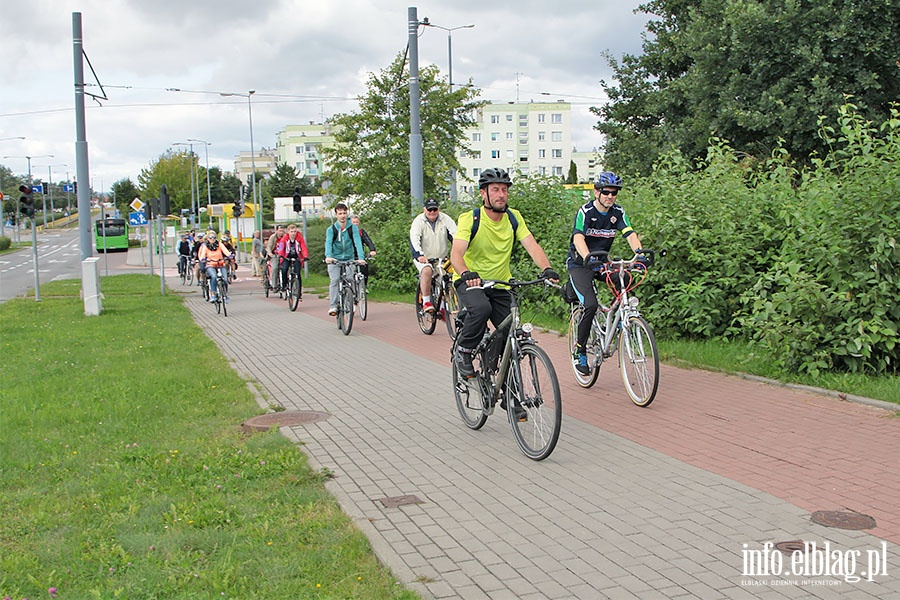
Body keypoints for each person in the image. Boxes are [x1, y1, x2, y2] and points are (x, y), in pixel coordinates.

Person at [450, 168, 559, 386]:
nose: (501, 195)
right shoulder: (470, 218)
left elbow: (532, 245)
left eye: (505, 190)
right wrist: (466, 273)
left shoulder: (513, 217)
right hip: (471, 281)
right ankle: (463, 350)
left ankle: (504, 388)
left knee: (509, 335)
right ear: (484, 193)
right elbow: (456, 254)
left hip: (500, 284)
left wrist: (547, 268)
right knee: (481, 309)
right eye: (496, 190)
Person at [566, 171, 650, 375]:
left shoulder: (618, 212)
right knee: (591, 305)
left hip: (603, 263)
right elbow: (578, 238)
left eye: (614, 193)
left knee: (626, 281)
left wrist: (639, 254)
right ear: (596, 192)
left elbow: (629, 233)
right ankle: (580, 351)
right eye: (606, 192)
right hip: (581, 264)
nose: (610, 196)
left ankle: (622, 320)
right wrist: (588, 257)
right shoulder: (585, 211)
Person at [410, 198, 457, 313]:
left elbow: (455, 235)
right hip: (423, 257)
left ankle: (442, 307)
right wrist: (419, 255)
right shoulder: (418, 221)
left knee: (449, 277)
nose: (432, 212)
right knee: (427, 271)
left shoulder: (445, 219)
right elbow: (414, 239)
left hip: (441, 257)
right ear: (424, 210)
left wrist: (457, 252)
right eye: (429, 209)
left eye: (434, 209)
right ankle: (426, 301)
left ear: (438, 209)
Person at [324, 202, 365, 316]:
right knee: (335, 280)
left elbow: (357, 243)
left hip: (349, 258)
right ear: (336, 215)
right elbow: (328, 243)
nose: (343, 216)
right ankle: (333, 306)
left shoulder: (353, 228)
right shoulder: (331, 229)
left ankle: (351, 300)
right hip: (335, 259)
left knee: (350, 278)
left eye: (344, 213)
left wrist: (361, 258)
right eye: (340, 213)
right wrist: (328, 256)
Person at [198, 231, 233, 303]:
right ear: (208, 238)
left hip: (220, 263)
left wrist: (229, 255)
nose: (212, 239)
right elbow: (203, 254)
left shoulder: (219, 244)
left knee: (225, 280)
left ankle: (225, 295)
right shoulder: (205, 246)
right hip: (210, 264)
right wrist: (203, 259)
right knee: (213, 277)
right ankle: (213, 294)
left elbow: (225, 251)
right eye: (210, 237)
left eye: (214, 237)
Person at [276, 223, 309, 299]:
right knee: (284, 270)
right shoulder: (284, 238)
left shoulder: (299, 238)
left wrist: (305, 256)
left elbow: (303, 247)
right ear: (288, 232)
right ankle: (284, 286)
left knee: (298, 274)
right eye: (291, 231)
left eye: (294, 231)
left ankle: (299, 293)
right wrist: (280, 254)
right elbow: (281, 247)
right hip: (286, 257)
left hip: (297, 257)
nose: (293, 233)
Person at [350, 214, 376, 286]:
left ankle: (363, 287)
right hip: (349, 255)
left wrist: (372, 250)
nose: (355, 224)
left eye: (356, 222)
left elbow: (368, 240)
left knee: (364, 268)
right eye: (353, 222)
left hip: (359, 255)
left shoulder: (361, 232)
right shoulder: (347, 233)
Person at [266, 225, 286, 291]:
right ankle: (274, 286)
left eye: (282, 231)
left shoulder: (286, 237)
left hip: (284, 255)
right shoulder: (273, 237)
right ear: (276, 231)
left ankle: (287, 282)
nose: (281, 232)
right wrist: (270, 254)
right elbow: (269, 246)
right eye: (280, 231)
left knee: (287, 268)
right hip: (274, 255)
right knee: (275, 268)